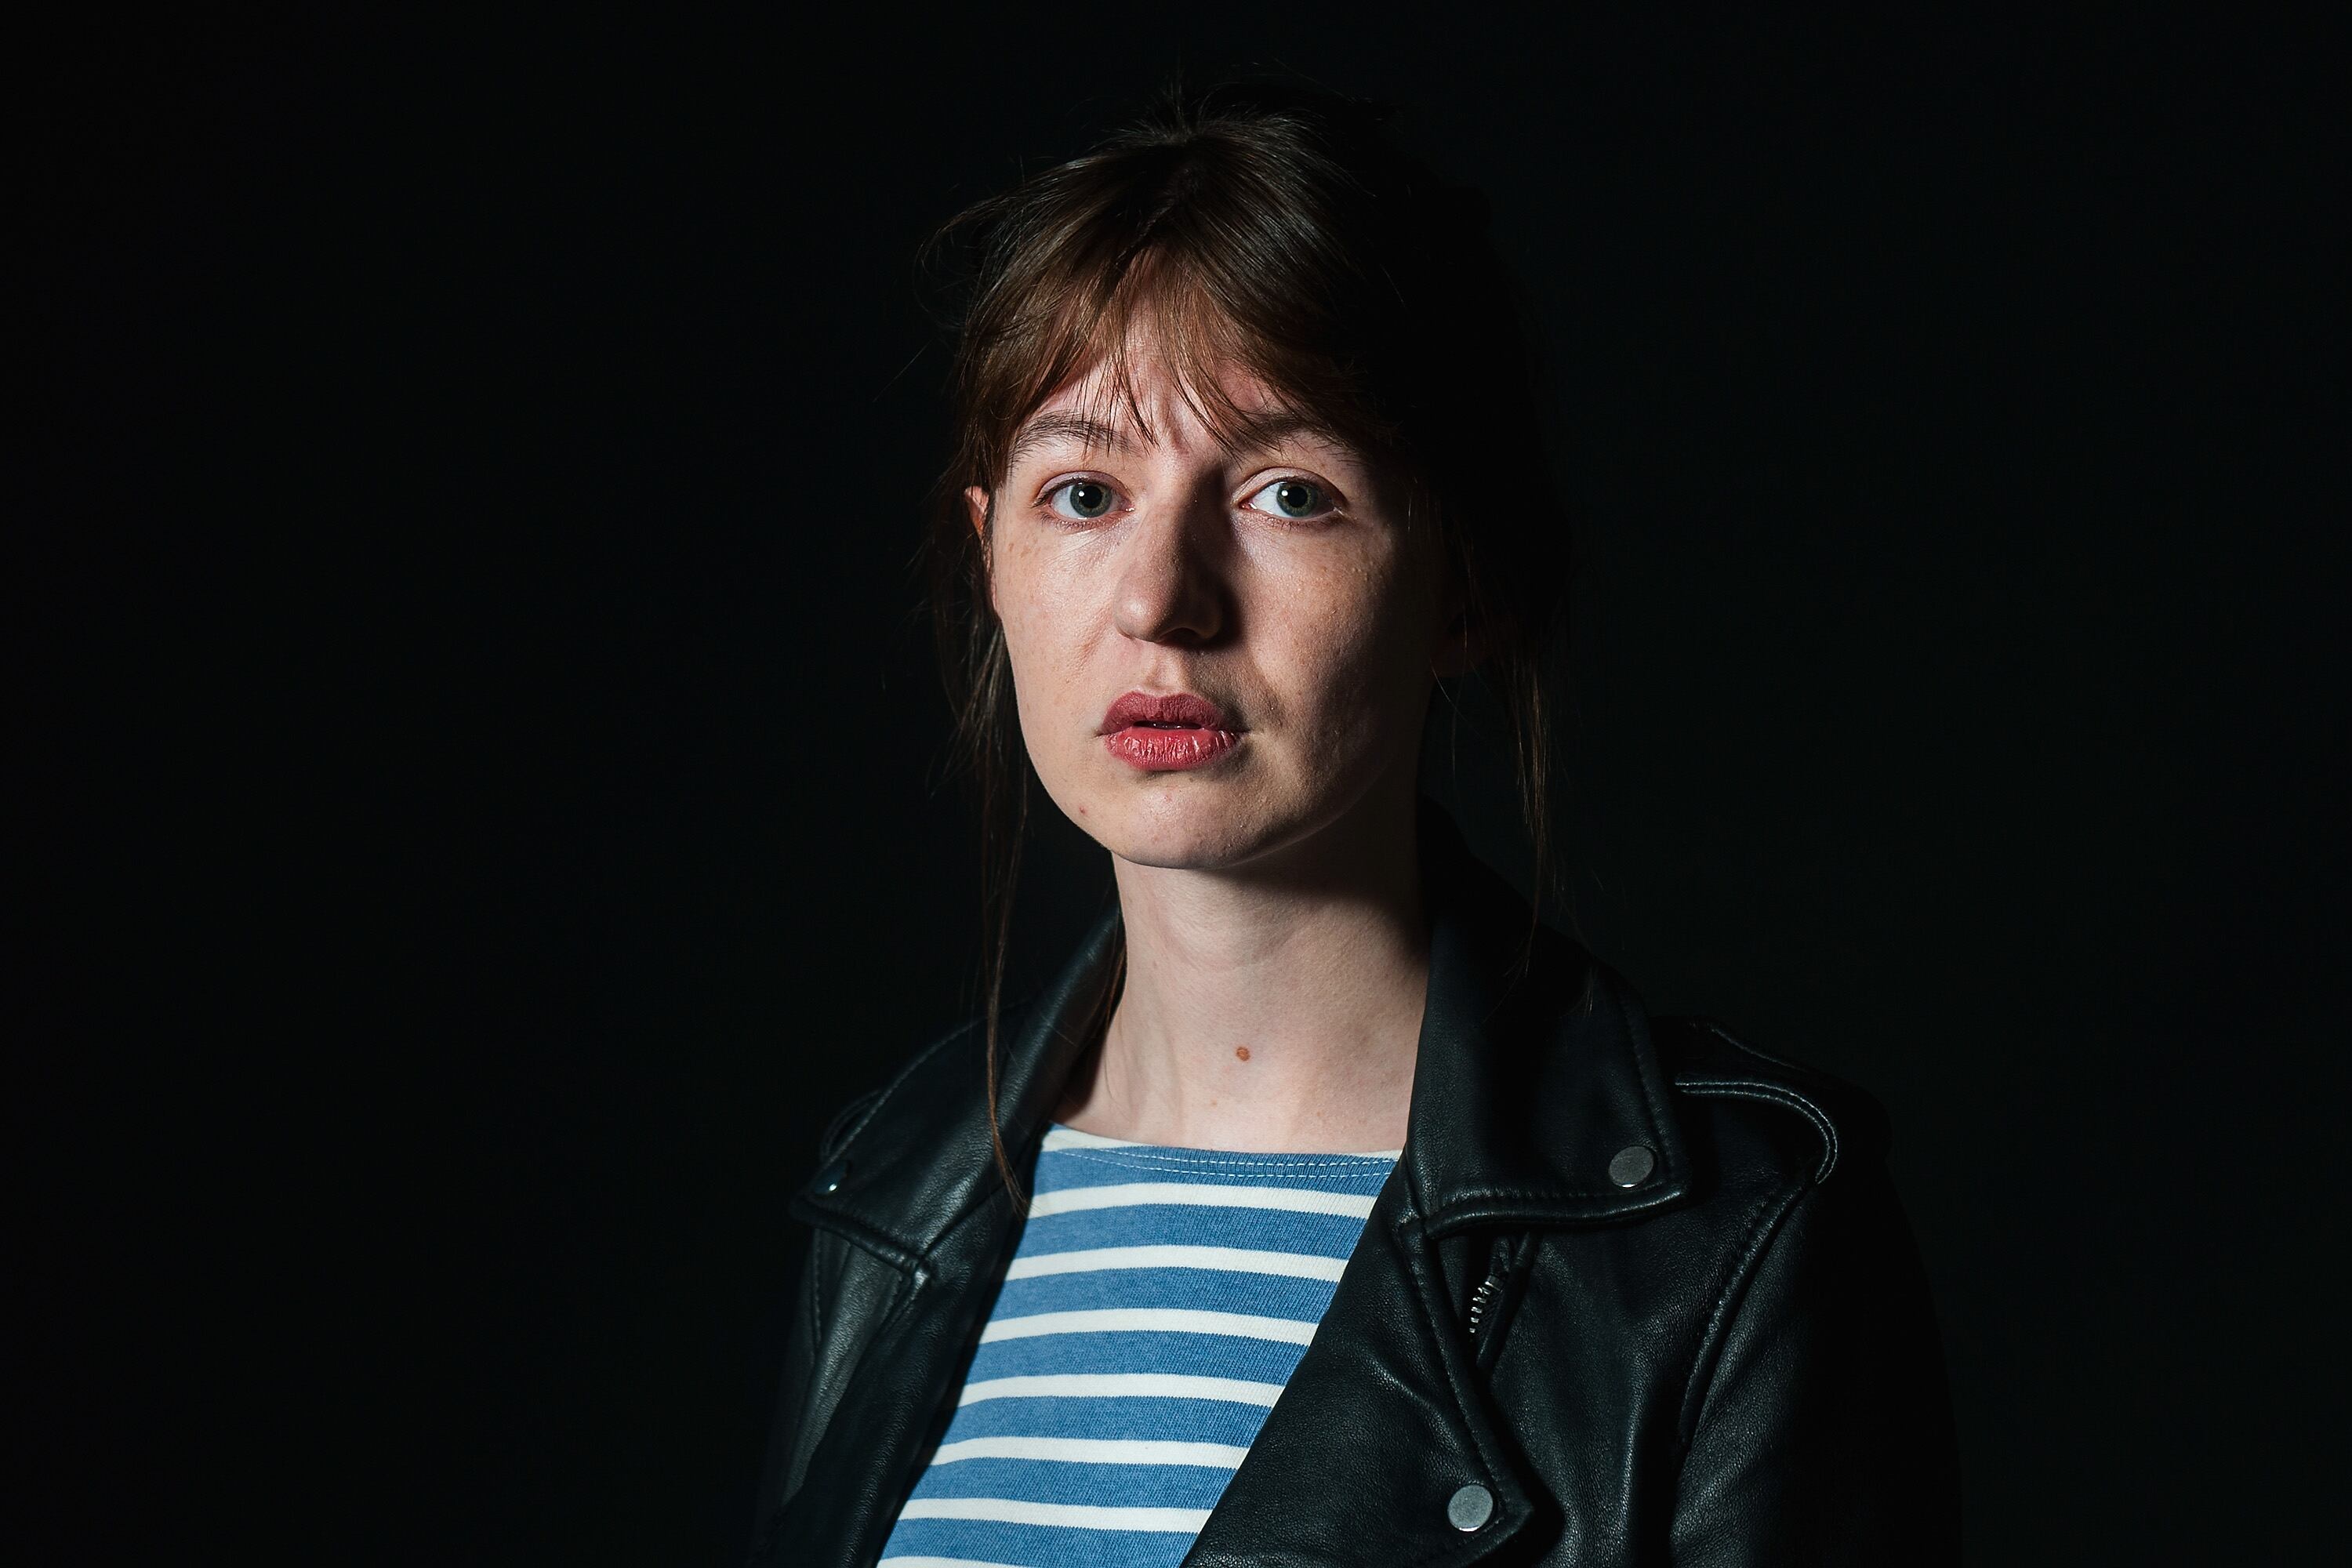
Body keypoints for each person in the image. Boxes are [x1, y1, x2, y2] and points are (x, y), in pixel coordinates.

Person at [750, 82, 1959, 1567]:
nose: (1162, 600)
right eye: (1085, 492)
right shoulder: (900, 1181)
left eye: (1288, 494)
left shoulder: (1730, 1237)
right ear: (991, 553)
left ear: (1467, 585)